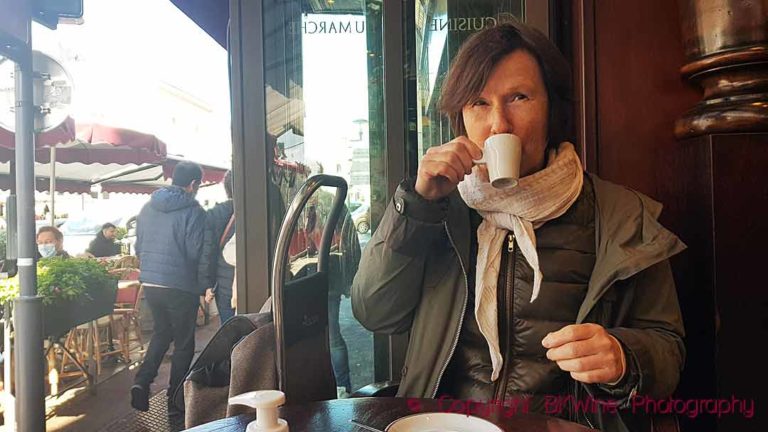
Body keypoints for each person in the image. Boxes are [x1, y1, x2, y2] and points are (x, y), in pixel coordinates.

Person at [351, 20, 685, 431]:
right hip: (442, 424)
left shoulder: (620, 215)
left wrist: (623, 357)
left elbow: (668, 347)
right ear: (461, 119)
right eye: (479, 103)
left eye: (519, 97)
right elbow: (373, 312)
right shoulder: (438, 210)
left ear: (552, 110)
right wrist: (416, 207)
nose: (499, 125)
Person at [130, 162, 206, 417]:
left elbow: (138, 246)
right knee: (184, 342)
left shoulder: (147, 207)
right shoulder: (194, 210)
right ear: (193, 184)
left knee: (162, 333)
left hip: (150, 282)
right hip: (180, 284)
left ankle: (142, 381)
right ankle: (176, 399)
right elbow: (195, 251)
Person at [200, 170, 236, 326]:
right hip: (260, 284)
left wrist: (206, 284)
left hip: (225, 288)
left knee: (231, 333)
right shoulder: (262, 209)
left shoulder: (214, 215)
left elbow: (206, 252)